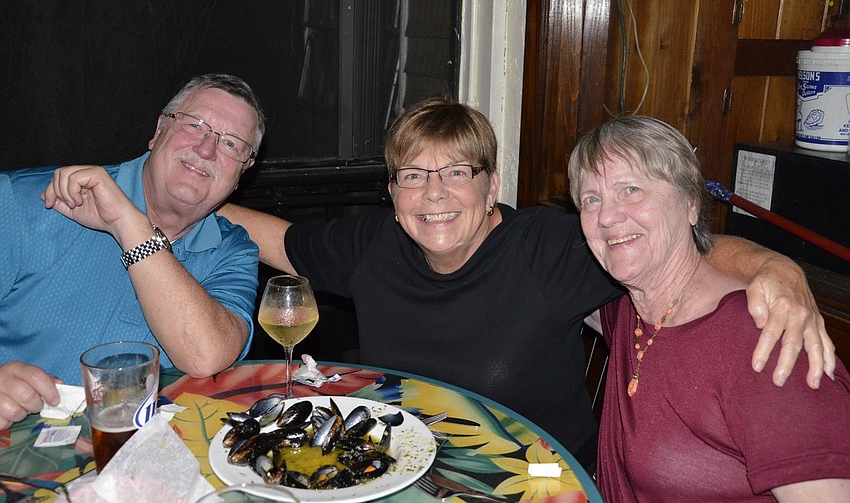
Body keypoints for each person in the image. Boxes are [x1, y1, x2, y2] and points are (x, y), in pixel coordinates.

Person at [218, 97, 833, 471]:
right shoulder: (375, 244)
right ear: (392, 193)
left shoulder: (545, 247)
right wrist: (181, 203)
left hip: (535, 482)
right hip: (404, 474)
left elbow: (673, 246)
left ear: (491, 188)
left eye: (457, 172)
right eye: (413, 175)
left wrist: (775, 269)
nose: (434, 194)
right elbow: (280, 239)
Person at [569, 115, 850, 501]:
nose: (607, 216)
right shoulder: (625, 309)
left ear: (690, 204)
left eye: (632, 189)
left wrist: (780, 269)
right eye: (591, 199)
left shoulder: (763, 340)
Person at [0, 73, 264, 430]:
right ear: (159, 130)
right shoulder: (28, 203)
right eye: (194, 125)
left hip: (142, 464)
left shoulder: (232, 250)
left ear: (244, 172)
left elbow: (206, 356)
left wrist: (130, 225)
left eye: (232, 144)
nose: (206, 150)